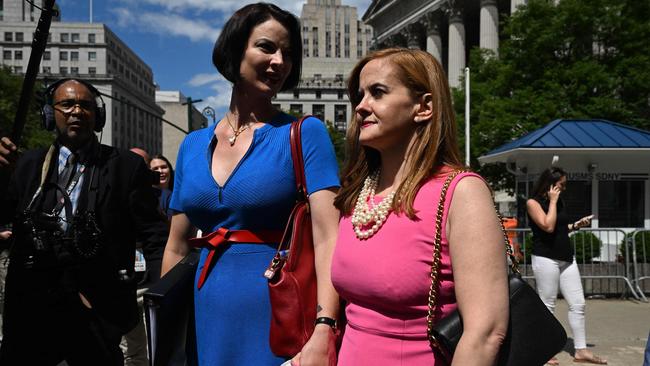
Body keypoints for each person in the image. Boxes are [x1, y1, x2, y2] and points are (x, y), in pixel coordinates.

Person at [160, 3, 340, 365]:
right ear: (234, 48)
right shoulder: (192, 145)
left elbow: (328, 238)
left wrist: (325, 325)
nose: (279, 61)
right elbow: (177, 246)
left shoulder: (304, 133)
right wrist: (166, 323)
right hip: (202, 315)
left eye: (288, 54)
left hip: (277, 314)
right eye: (267, 47)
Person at [330, 48, 509, 365]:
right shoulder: (356, 193)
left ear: (424, 107)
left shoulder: (461, 192)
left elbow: (485, 333)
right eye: (359, 95)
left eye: (378, 92)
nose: (361, 107)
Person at [0, 78, 168, 365]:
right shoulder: (26, 164)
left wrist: (161, 293)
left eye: (85, 105)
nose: (76, 111)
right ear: (50, 114)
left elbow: (155, 235)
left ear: (97, 115)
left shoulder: (125, 166)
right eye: (66, 104)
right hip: (33, 307)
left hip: (98, 314)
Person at [526, 167, 607, 365]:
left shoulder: (559, 201)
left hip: (566, 258)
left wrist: (576, 225)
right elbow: (547, 225)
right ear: (550, 183)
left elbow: (560, 227)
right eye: (561, 184)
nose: (563, 188)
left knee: (578, 304)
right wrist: (553, 201)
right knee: (548, 305)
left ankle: (581, 350)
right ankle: (545, 351)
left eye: (564, 185)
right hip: (546, 258)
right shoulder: (533, 203)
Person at [149, 154, 174, 219]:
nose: (160, 171)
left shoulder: (179, 193)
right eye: (155, 168)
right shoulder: (146, 196)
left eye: (163, 167)